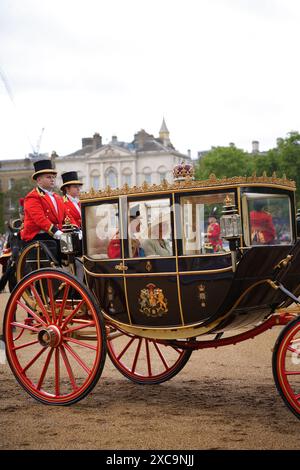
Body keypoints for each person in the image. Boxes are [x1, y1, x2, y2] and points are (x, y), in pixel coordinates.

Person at [20, 159, 66, 243]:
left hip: (55, 234)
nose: (52, 179)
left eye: (53, 177)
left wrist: (75, 229)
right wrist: (55, 231)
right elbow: (40, 219)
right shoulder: (32, 196)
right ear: (39, 180)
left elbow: (65, 217)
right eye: (48, 177)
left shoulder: (57, 197)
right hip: (38, 236)